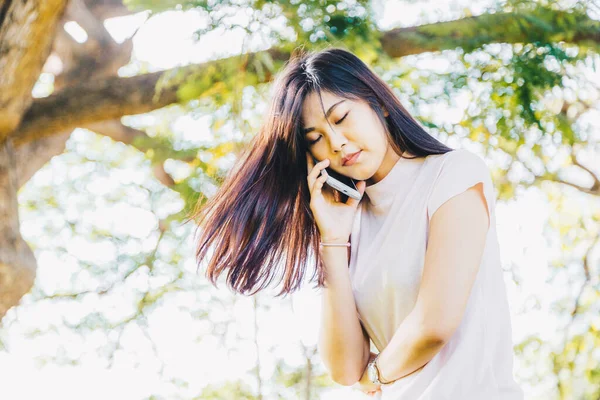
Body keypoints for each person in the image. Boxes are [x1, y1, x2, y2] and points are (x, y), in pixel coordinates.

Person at [187, 46, 525, 399]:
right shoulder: (350, 219)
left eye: (341, 117)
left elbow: (433, 325)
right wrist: (332, 239)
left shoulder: (453, 174)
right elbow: (345, 368)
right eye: (315, 138)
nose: (336, 143)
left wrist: (376, 376)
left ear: (376, 101)